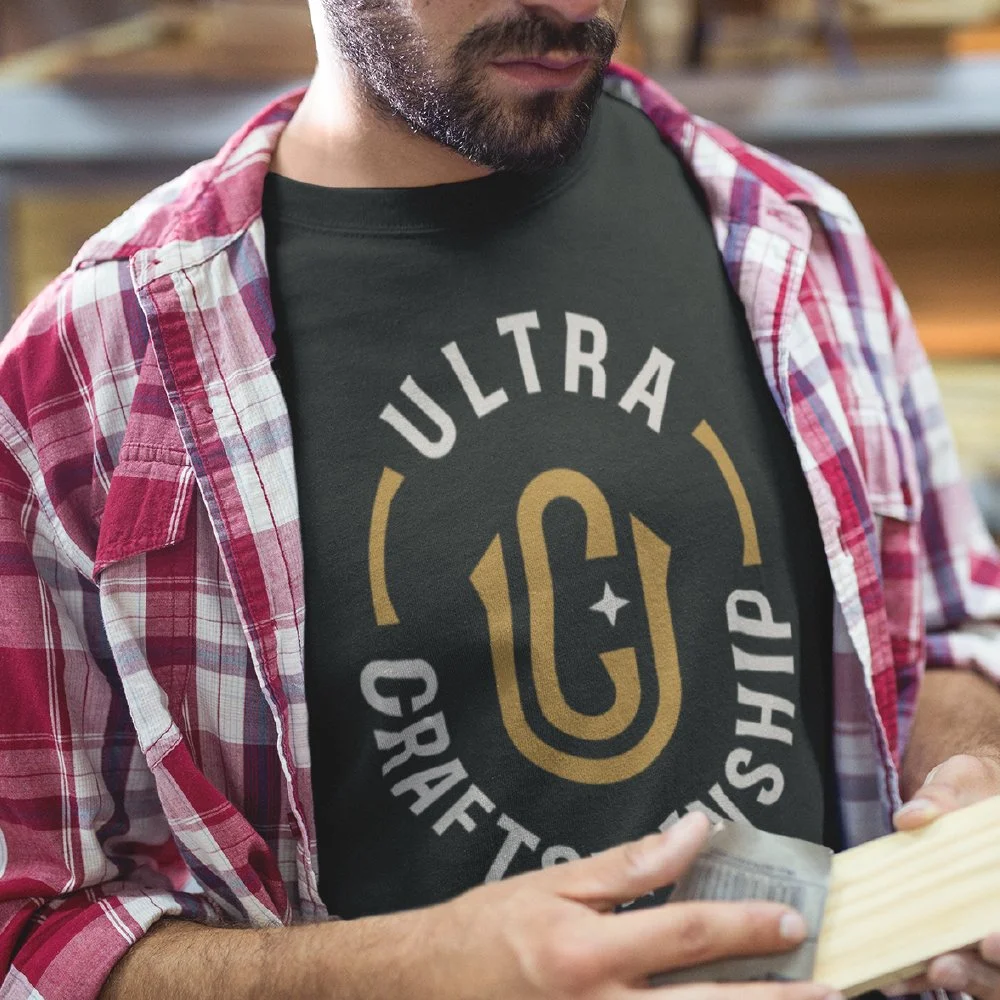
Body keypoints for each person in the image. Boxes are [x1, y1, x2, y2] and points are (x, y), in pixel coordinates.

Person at [1, 0, 999, 994]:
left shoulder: (796, 240)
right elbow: (29, 934)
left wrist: (966, 780)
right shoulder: (83, 380)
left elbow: (951, 630)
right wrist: (407, 975)